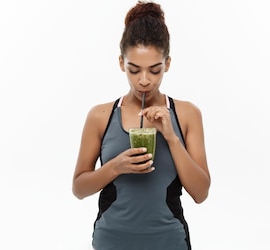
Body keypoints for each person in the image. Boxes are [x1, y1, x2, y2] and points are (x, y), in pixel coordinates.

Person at [71, 1, 211, 249]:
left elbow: (200, 193)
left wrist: (171, 137)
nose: (144, 81)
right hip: (111, 241)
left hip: (170, 241)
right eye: (134, 70)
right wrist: (115, 166)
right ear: (121, 63)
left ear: (167, 64)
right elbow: (79, 188)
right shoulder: (100, 116)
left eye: (154, 71)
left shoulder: (187, 114)